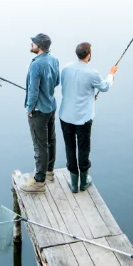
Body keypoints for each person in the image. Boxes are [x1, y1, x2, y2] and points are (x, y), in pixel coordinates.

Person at [59, 42, 118, 194]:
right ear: (89, 55)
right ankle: (83, 182)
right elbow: (104, 87)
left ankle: (73, 184)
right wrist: (111, 74)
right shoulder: (92, 73)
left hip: (65, 116)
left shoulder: (65, 69)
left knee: (70, 147)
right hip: (83, 118)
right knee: (83, 149)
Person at [20, 33, 60, 193]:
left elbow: (33, 90)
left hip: (38, 110)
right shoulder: (54, 60)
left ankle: (39, 182)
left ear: (40, 46)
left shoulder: (36, 65)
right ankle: (49, 172)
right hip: (50, 106)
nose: (31, 44)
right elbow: (56, 81)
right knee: (51, 140)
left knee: (39, 145)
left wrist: (29, 108)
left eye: (34, 43)